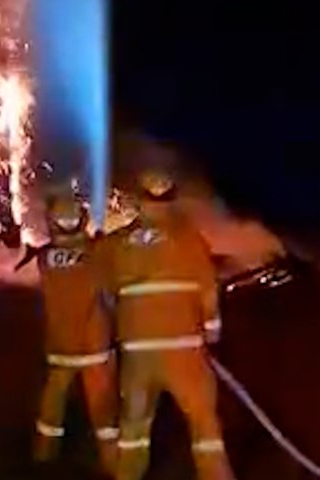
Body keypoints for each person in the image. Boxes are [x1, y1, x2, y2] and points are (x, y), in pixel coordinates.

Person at [100, 168, 235, 480]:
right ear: (171, 201)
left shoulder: (116, 244)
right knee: (204, 424)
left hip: (137, 352)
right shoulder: (187, 239)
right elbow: (207, 287)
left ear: (137, 201)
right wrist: (212, 328)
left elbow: (105, 291)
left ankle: (128, 475)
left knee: (134, 426)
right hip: (184, 349)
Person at [19, 179, 120, 476]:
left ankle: (43, 454)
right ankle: (113, 462)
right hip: (95, 345)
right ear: (82, 220)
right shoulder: (97, 254)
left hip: (61, 345)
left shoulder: (44, 259)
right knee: (103, 407)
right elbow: (110, 279)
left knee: (53, 401)